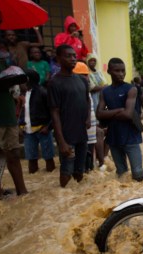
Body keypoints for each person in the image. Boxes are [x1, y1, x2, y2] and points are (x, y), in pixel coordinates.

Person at [0, 26, 28, 207]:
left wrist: (16, 93)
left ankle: (23, 192)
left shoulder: (1, 58)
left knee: (14, 153)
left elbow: (4, 84)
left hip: (8, 113)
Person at [48, 45, 91, 187]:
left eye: (74, 55)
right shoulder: (55, 82)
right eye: (68, 56)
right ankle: (62, 197)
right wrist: (61, 141)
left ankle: (76, 199)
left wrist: (88, 118)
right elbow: (54, 112)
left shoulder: (82, 80)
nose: (73, 59)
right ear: (59, 59)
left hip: (82, 134)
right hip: (67, 136)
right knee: (66, 171)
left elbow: (87, 100)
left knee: (80, 171)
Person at [96, 57, 143, 182]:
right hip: (114, 137)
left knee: (138, 174)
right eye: (117, 71)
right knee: (121, 175)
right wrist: (118, 110)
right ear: (109, 72)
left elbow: (128, 115)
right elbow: (99, 114)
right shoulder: (105, 91)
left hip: (131, 137)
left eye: (123, 71)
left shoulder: (131, 89)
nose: (121, 74)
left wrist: (108, 113)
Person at [20, 69, 55, 173]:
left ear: (28, 80)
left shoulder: (43, 92)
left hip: (42, 128)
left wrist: (48, 127)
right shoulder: (22, 94)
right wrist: (20, 125)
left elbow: (53, 112)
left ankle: (50, 174)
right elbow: (21, 112)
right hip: (27, 130)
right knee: (31, 157)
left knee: (48, 156)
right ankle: (33, 174)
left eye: (23, 80)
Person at [72, 61, 97, 172]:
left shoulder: (85, 88)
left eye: (87, 75)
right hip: (80, 125)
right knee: (82, 150)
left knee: (90, 146)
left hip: (90, 123)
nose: (86, 78)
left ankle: (89, 168)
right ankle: (84, 169)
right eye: (83, 75)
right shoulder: (75, 89)